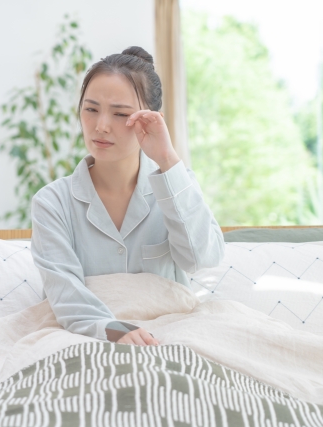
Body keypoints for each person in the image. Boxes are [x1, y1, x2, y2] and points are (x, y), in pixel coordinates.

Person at [30, 46, 224, 346]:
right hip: (85, 339)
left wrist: (167, 158)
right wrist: (116, 332)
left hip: (169, 336)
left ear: (151, 119)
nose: (101, 126)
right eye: (91, 109)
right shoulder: (52, 203)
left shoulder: (177, 185)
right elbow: (66, 295)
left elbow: (202, 258)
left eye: (120, 114)